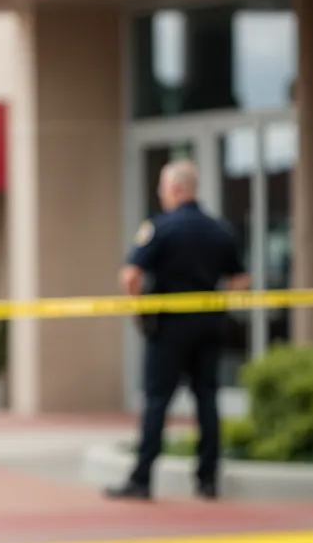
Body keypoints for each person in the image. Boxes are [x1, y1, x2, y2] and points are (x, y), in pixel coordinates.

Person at [106, 160, 249, 502]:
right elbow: (241, 280)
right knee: (207, 401)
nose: (161, 194)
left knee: (157, 402)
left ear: (175, 189)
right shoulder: (219, 229)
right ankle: (208, 480)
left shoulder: (161, 227)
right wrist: (219, 306)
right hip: (208, 327)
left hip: (169, 327)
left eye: (162, 187)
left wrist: (138, 311)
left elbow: (130, 275)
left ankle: (142, 480)